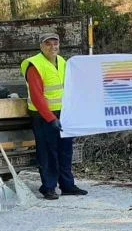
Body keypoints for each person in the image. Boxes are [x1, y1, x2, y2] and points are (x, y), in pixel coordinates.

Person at [20, 33, 87, 200]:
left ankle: (67, 185)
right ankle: (48, 187)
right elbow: (37, 97)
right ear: (41, 46)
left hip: (63, 113)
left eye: (55, 43)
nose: (52, 47)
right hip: (43, 116)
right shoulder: (35, 65)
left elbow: (69, 88)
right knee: (48, 153)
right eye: (48, 44)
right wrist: (51, 118)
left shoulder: (62, 62)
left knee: (65, 151)